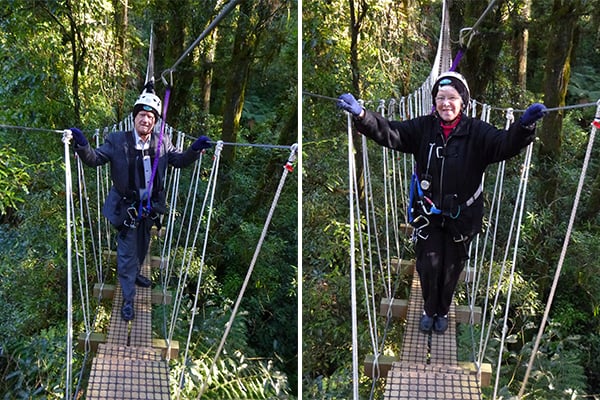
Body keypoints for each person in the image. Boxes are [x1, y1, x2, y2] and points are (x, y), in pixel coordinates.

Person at [337, 71, 547, 334]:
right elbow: (391, 132)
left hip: (463, 215)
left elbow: (504, 145)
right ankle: (428, 308)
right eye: (440, 98)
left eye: (452, 98)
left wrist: (524, 127)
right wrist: (362, 116)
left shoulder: (478, 132)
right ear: (434, 101)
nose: (446, 103)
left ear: (464, 102)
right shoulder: (423, 128)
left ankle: (443, 309)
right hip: (429, 213)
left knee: (451, 267)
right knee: (429, 263)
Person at [69, 82, 212, 321]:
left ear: (155, 122)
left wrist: (194, 150)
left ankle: (136, 273)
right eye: (142, 115)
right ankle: (127, 299)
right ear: (134, 118)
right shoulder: (117, 140)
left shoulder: (162, 140)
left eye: (150, 117)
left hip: (151, 207)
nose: (146, 120)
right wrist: (82, 145)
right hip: (126, 208)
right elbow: (94, 159)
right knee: (126, 253)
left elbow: (178, 160)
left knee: (143, 245)